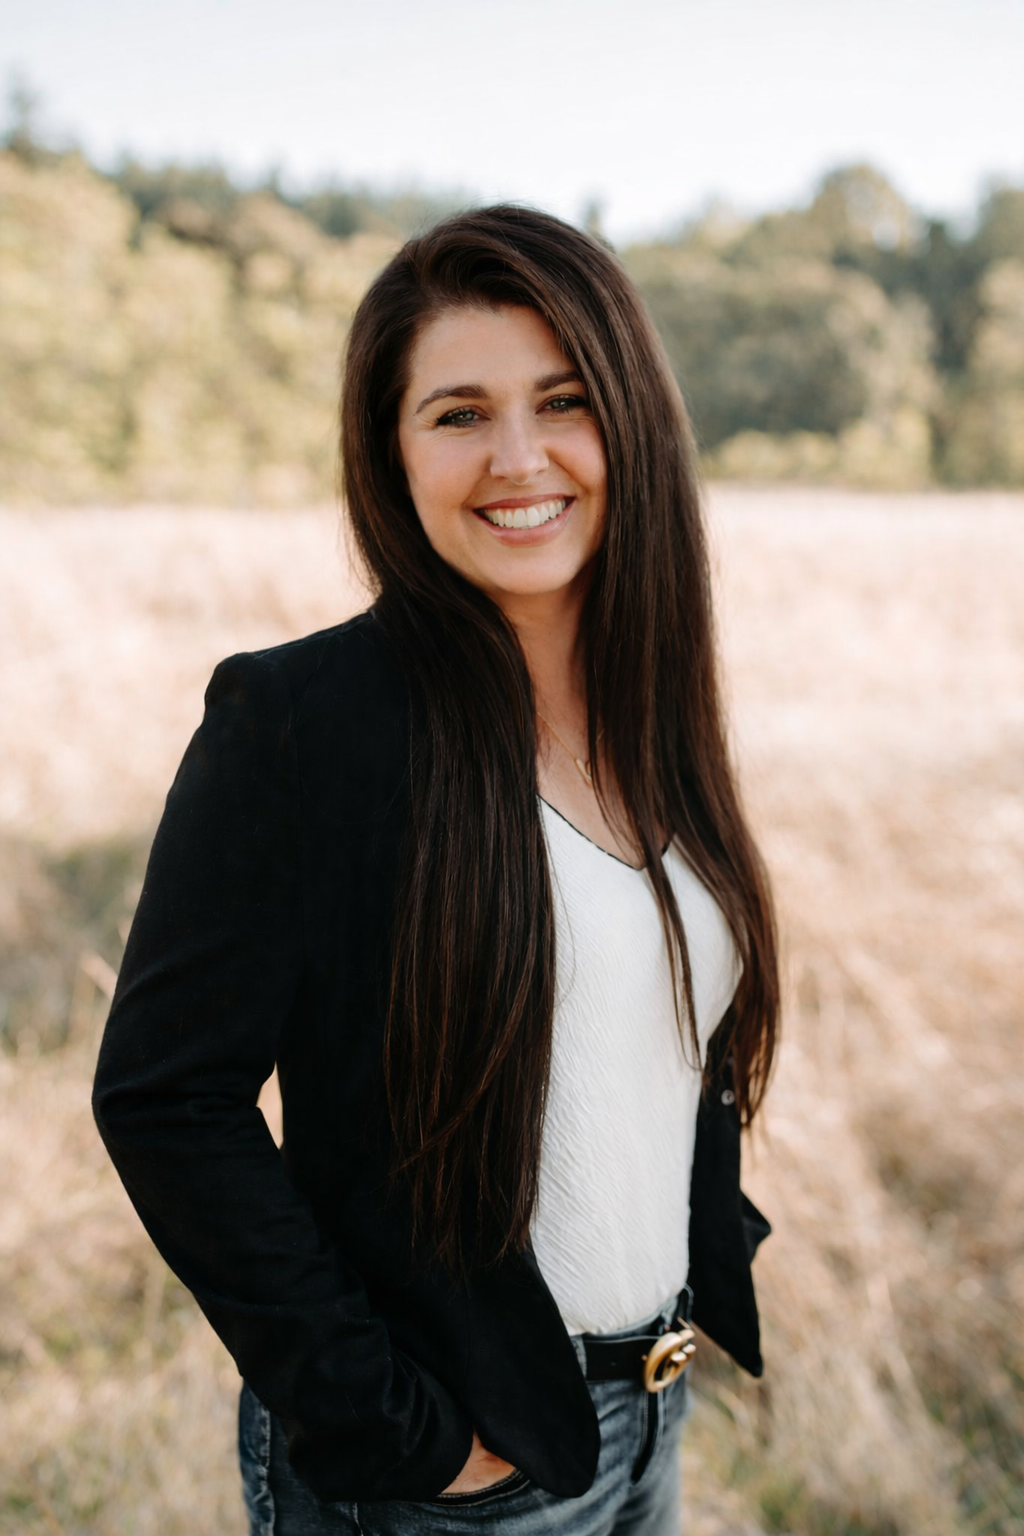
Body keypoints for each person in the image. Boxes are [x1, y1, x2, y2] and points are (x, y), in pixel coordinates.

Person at [92, 204, 779, 1536]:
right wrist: (400, 1428)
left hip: (642, 1409)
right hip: (457, 1464)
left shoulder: (652, 704)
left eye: (563, 400)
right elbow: (168, 1098)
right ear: (390, 454)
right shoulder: (303, 727)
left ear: (630, 420)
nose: (519, 459)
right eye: (459, 414)